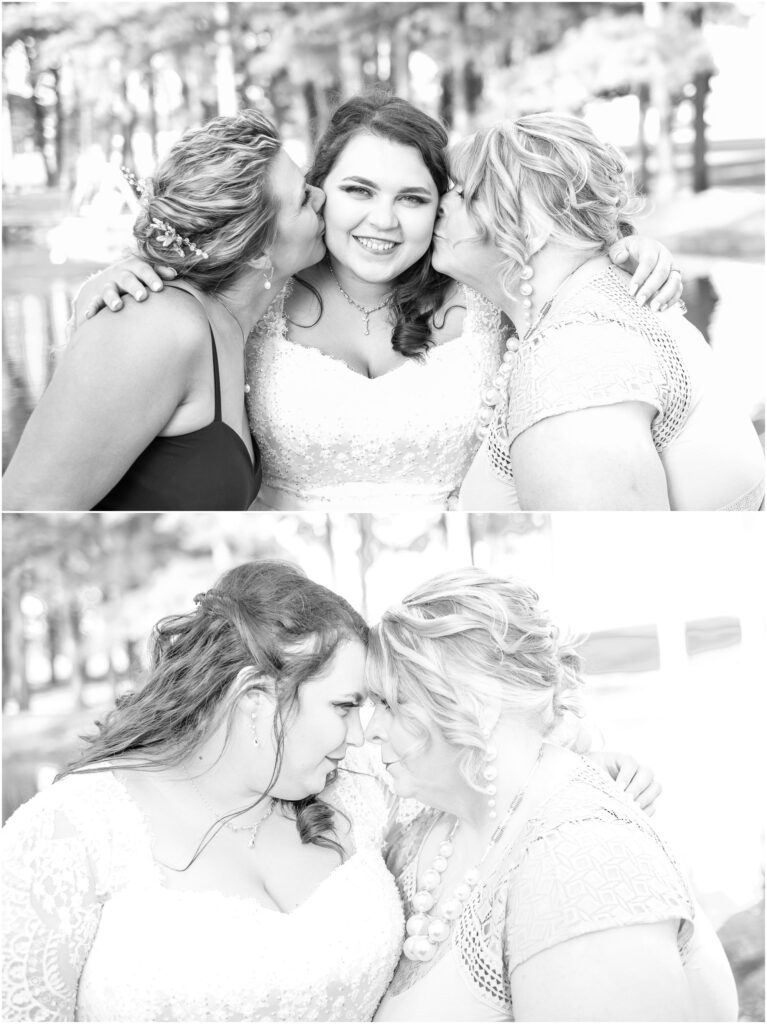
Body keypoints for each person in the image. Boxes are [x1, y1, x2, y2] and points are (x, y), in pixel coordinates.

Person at [2, 558, 661, 1022]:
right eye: (345, 705)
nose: (361, 732)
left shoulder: (360, 791)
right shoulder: (68, 833)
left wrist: (585, 766)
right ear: (257, 699)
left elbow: (484, 777)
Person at [68, 94, 683, 512]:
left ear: (443, 205)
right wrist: (136, 270)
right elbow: (165, 326)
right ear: (319, 190)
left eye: (413, 198)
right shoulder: (255, 298)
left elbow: (560, 277)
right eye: (358, 190)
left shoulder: (486, 296)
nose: (382, 222)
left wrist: (626, 254)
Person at [365, 567, 738, 1022]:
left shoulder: (585, 867)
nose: (371, 729)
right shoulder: (428, 820)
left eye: (391, 703)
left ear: (474, 699)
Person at [431, 114, 766, 510]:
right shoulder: (596, 303)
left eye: (464, 194)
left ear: (532, 225)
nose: (439, 204)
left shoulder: (576, 364)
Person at [2, 109, 326, 511]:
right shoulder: (156, 326)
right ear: (258, 250)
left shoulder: (241, 321)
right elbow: (22, 508)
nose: (322, 197)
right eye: (303, 199)